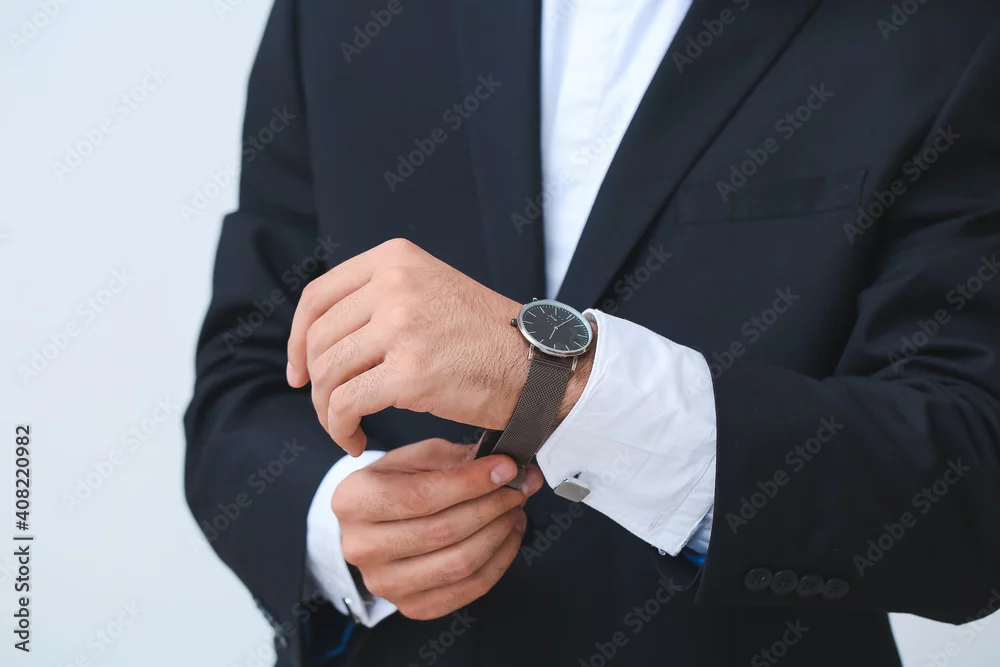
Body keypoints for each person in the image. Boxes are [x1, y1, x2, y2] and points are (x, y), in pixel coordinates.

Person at [184, 1, 1000, 665]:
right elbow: (245, 377)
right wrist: (337, 526)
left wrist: (552, 378)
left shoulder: (950, 24)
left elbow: (972, 474)